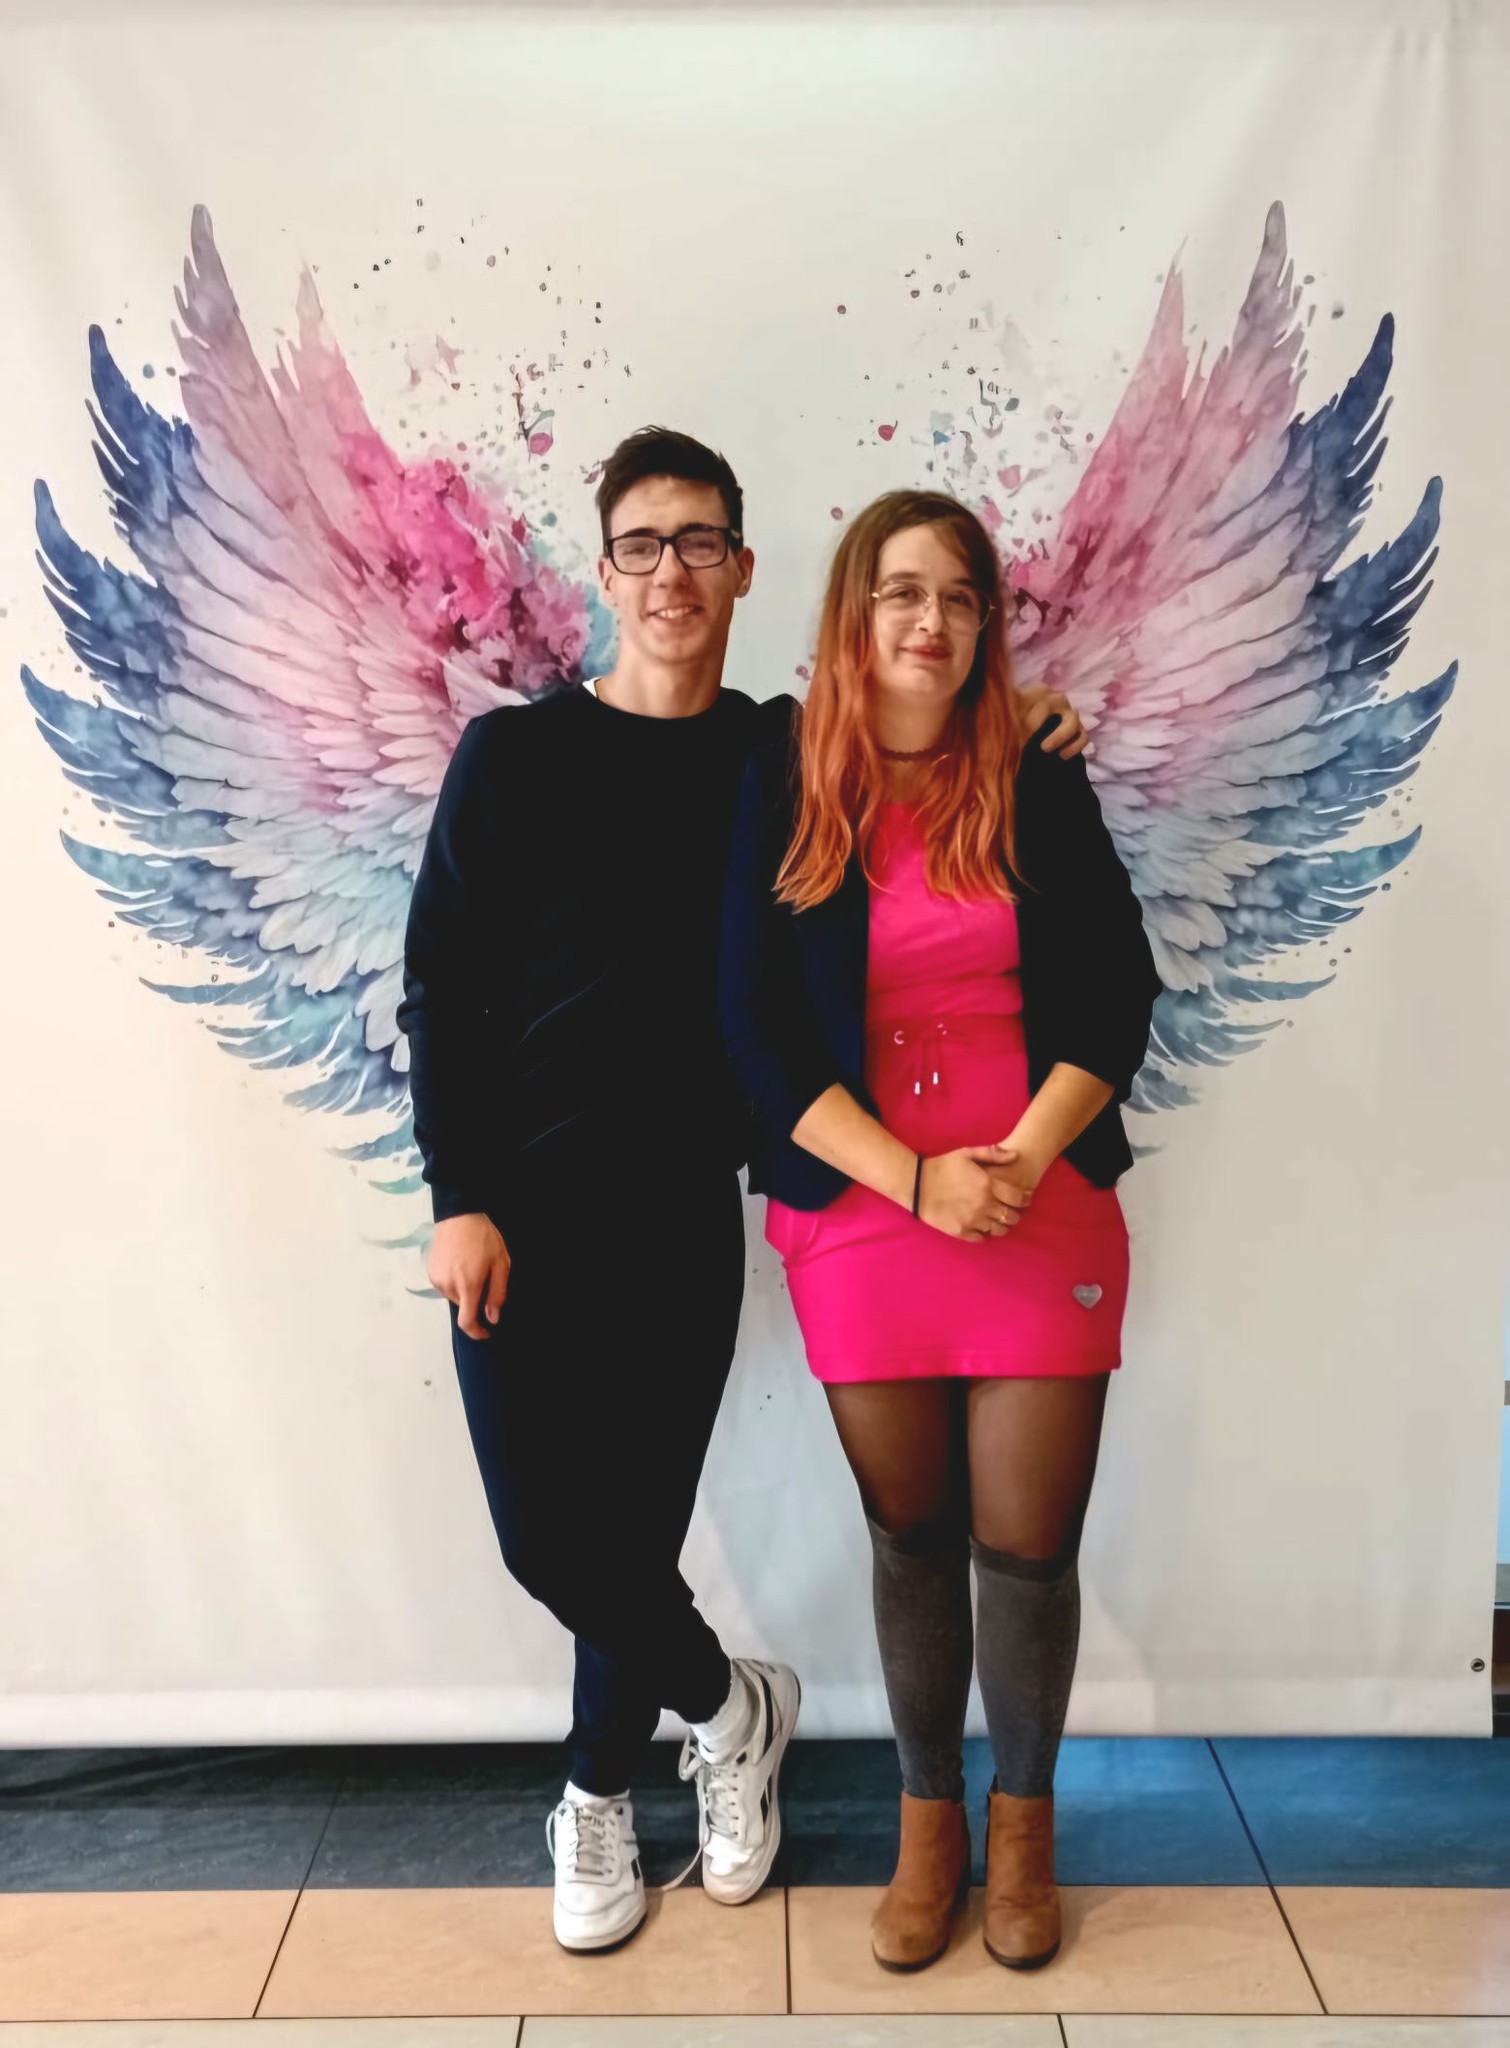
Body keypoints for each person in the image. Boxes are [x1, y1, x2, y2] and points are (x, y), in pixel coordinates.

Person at [399, 435, 1086, 1956]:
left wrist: (1030, 712)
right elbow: (440, 986)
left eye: (701, 543)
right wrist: (458, 1193)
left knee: (629, 1529)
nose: (671, 574)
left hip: (683, 1210)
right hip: (520, 1210)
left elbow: (921, 720)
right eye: (642, 545)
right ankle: (729, 1706)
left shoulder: (781, 754)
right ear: (604, 568)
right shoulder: (510, 758)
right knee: (544, 1535)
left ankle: (595, 1793)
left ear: (745, 568)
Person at [718, 490, 1159, 1975]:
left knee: (1025, 1546)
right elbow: (753, 1033)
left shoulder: (1034, 773)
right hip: (861, 1206)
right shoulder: (784, 771)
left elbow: (1118, 997)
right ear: (854, 610)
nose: (930, 620)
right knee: (910, 1536)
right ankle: (929, 1829)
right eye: (901, 591)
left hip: (1038, 1198)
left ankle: (1023, 1828)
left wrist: (1014, 1167)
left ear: (985, 627)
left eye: (960, 597)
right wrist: (918, 1186)